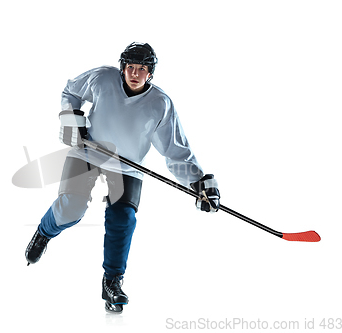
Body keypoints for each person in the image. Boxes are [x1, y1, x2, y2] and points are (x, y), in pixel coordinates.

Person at [25, 42, 220, 313]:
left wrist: (199, 184)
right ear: (122, 67)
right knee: (71, 207)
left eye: (142, 69)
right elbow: (70, 91)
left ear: (150, 73)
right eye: (130, 67)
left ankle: (112, 282)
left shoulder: (160, 104)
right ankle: (44, 232)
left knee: (123, 220)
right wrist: (72, 119)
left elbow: (176, 151)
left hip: (127, 167)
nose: (135, 74)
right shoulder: (102, 78)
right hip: (88, 152)